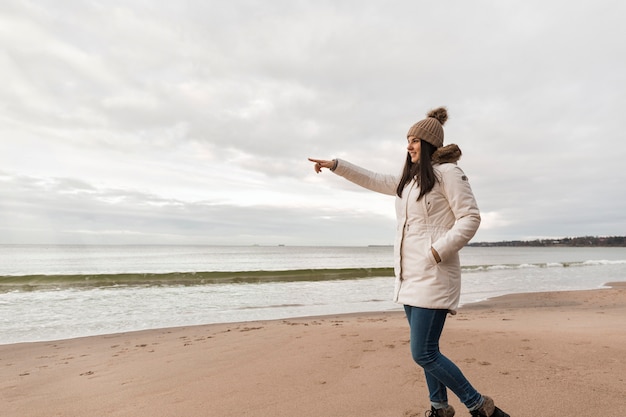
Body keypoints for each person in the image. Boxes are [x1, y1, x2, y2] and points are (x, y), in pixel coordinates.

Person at [308, 107, 510, 417]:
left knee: (424, 353)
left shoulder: (449, 174)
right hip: (409, 277)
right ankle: (439, 408)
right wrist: (337, 165)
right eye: (407, 139)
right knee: (429, 352)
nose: (409, 145)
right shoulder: (410, 180)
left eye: (415, 140)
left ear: (428, 143)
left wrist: (436, 251)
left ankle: (480, 406)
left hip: (435, 274)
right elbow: (373, 179)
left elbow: (470, 217)